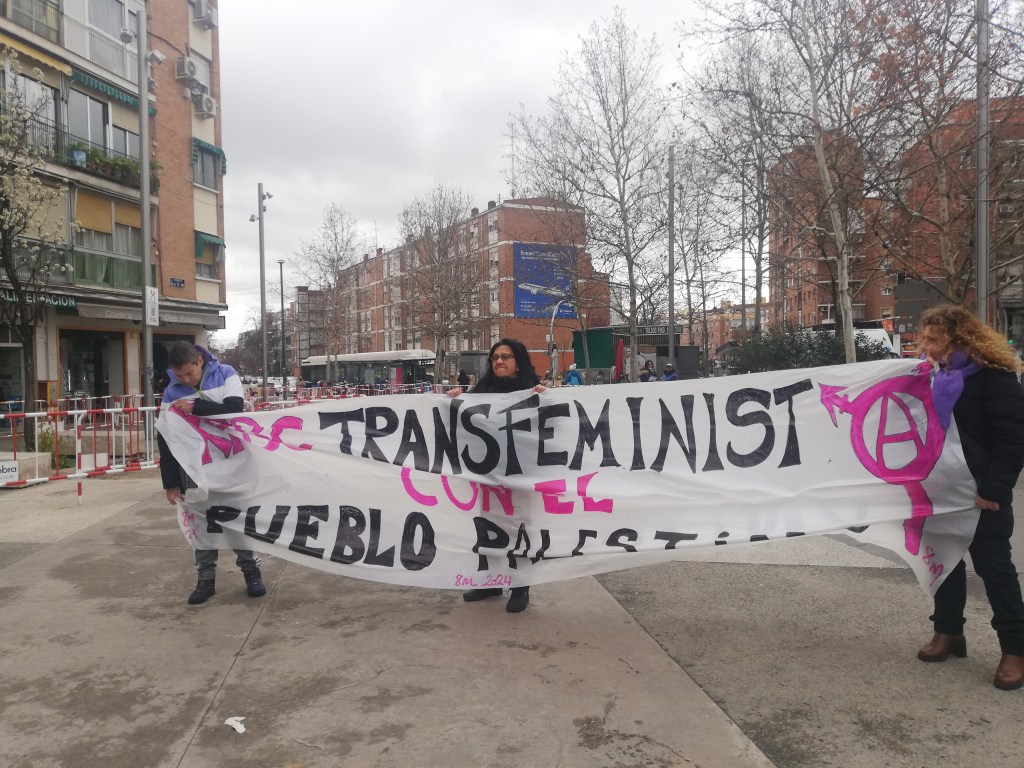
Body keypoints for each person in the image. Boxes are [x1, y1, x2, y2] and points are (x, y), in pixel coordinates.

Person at [915, 305, 1024, 690]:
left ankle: (1015, 648)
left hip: (981, 494)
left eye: (934, 340)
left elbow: (1013, 439)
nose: (926, 347)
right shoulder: (933, 377)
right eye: (925, 339)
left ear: (959, 339)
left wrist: (993, 489)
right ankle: (948, 631)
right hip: (942, 489)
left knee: (995, 570)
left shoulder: (994, 378)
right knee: (944, 564)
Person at [158, 341, 266, 606]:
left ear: (199, 361)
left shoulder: (226, 374)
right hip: (196, 469)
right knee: (201, 522)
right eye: (179, 375)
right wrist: (170, 482)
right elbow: (166, 436)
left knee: (238, 519)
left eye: (189, 373)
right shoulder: (171, 391)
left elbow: (234, 408)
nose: (185, 380)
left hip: (233, 464)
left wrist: (196, 407)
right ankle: (205, 579)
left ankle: (251, 571)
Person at [446, 338, 546, 612]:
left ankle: (520, 585)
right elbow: (463, 420)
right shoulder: (482, 390)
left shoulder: (533, 390)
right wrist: (455, 399)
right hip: (489, 473)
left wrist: (546, 397)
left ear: (518, 362)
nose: (499, 361)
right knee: (488, 525)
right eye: (495, 357)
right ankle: (491, 582)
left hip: (521, 472)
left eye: (505, 356)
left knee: (519, 526)